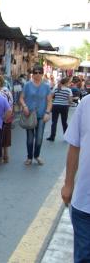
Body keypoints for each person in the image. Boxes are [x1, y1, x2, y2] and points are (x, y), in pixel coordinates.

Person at [61, 95, 90, 262]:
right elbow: (74, 146)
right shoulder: (86, 103)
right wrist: (68, 184)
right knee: (84, 257)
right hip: (85, 203)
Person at [19, 64, 53, 166]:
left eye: (39, 72)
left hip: (41, 115)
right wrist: (24, 106)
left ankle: (37, 156)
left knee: (39, 138)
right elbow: (21, 98)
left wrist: (47, 112)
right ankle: (29, 157)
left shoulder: (46, 86)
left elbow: (49, 101)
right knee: (30, 138)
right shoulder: (27, 85)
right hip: (29, 114)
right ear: (32, 74)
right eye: (35, 72)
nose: (37, 74)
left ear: (42, 74)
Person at [0, 75, 14, 163]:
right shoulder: (7, 91)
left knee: (0, 137)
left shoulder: (0, 93)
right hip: (9, 116)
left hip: (2, 117)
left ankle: (1, 156)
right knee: (6, 137)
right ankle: (6, 156)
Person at [47, 77, 72, 142]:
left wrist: (53, 101)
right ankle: (66, 137)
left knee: (54, 122)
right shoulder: (68, 90)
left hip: (55, 106)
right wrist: (68, 104)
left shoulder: (56, 88)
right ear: (66, 83)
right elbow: (70, 100)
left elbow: (50, 97)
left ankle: (52, 137)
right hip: (64, 106)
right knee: (64, 122)